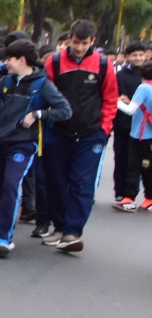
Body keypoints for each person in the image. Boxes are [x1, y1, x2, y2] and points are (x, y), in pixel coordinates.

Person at [0, 40, 70, 257]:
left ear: (22, 60)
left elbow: (64, 110)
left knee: (11, 186)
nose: (6, 63)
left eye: (9, 59)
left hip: (23, 145)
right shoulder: (6, 81)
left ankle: (4, 238)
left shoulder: (43, 85)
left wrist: (38, 114)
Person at [39, 21, 119, 253]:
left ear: (93, 41)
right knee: (56, 181)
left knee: (81, 183)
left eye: (84, 43)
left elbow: (110, 99)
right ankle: (59, 226)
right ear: (69, 39)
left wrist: (104, 129)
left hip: (90, 134)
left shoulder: (104, 65)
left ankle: (72, 231)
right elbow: (47, 94)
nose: (80, 47)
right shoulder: (54, 62)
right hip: (59, 131)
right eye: (76, 42)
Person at [113, 42, 151, 209]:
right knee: (140, 164)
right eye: (134, 55)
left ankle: (132, 196)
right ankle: (141, 196)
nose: (138, 58)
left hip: (140, 131)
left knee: (137, 164)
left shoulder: (143, 87)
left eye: (141, 55)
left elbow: (129, 107)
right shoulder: (122, 76)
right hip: (136, 131)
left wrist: (120, 102)